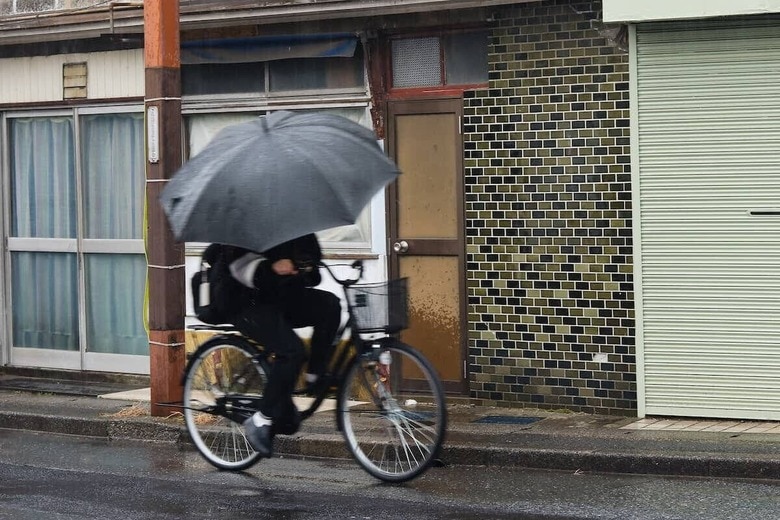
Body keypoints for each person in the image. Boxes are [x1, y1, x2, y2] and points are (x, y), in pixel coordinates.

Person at [215, 233, 341, 457]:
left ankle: (315, 375)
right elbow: (239, 268)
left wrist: (306, 267)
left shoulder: (295, 224)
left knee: (330, 306)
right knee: (292, 351)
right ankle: (260, 420)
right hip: (245, 303)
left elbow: (313, 273)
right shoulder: (245, 225)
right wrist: (272, 268)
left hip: (279, 299)